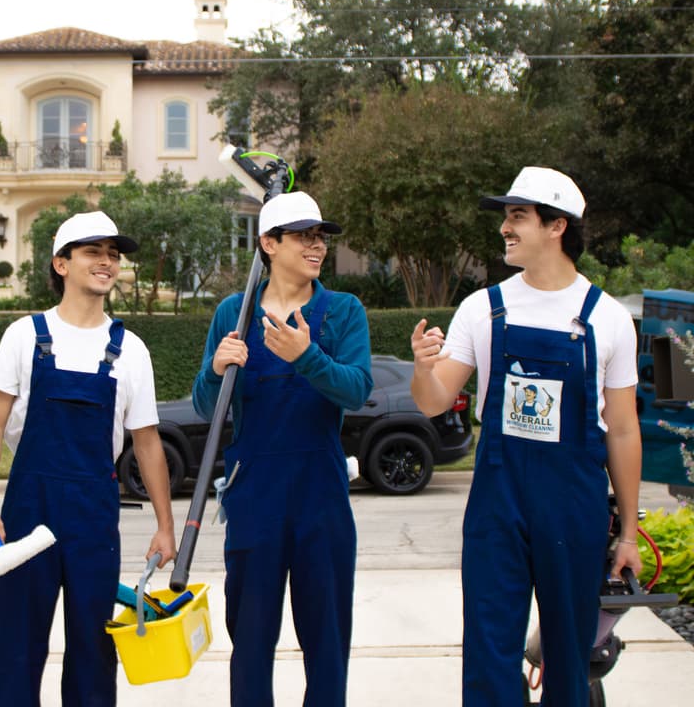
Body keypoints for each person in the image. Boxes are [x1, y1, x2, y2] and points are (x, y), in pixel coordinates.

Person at [409, 166, 642, 706]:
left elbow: (624, 429)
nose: (504, 229)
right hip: (499, 505)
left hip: (574, 507)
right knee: (489, 650)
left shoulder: (606, 318)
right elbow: (434, 400)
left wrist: (627, 533)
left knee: (569, 656)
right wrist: (423, 367)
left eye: (518, 216)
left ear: (557, 226)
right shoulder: (483, 308)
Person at [0, 210, 176, 707]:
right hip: (28, 511)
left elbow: (146, 442)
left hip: (93, 516)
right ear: (61, 264)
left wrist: (165, 525)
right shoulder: (24, 335)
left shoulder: (130, 350)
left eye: (113, 254)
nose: (107, 262)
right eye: (93, 251)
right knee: (19, 648)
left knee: (92, 652)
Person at [192, 191, 372, 707]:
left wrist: (307, 355)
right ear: (268, 244)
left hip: (322, 496)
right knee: (249, 641)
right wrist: (216, 368)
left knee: (327, 639)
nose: (316, 246)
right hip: (254, 496)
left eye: (320, 237)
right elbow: (208, 407)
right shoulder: (235, 310)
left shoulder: (341, 311)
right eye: (303, 236)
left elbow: (356, 389)